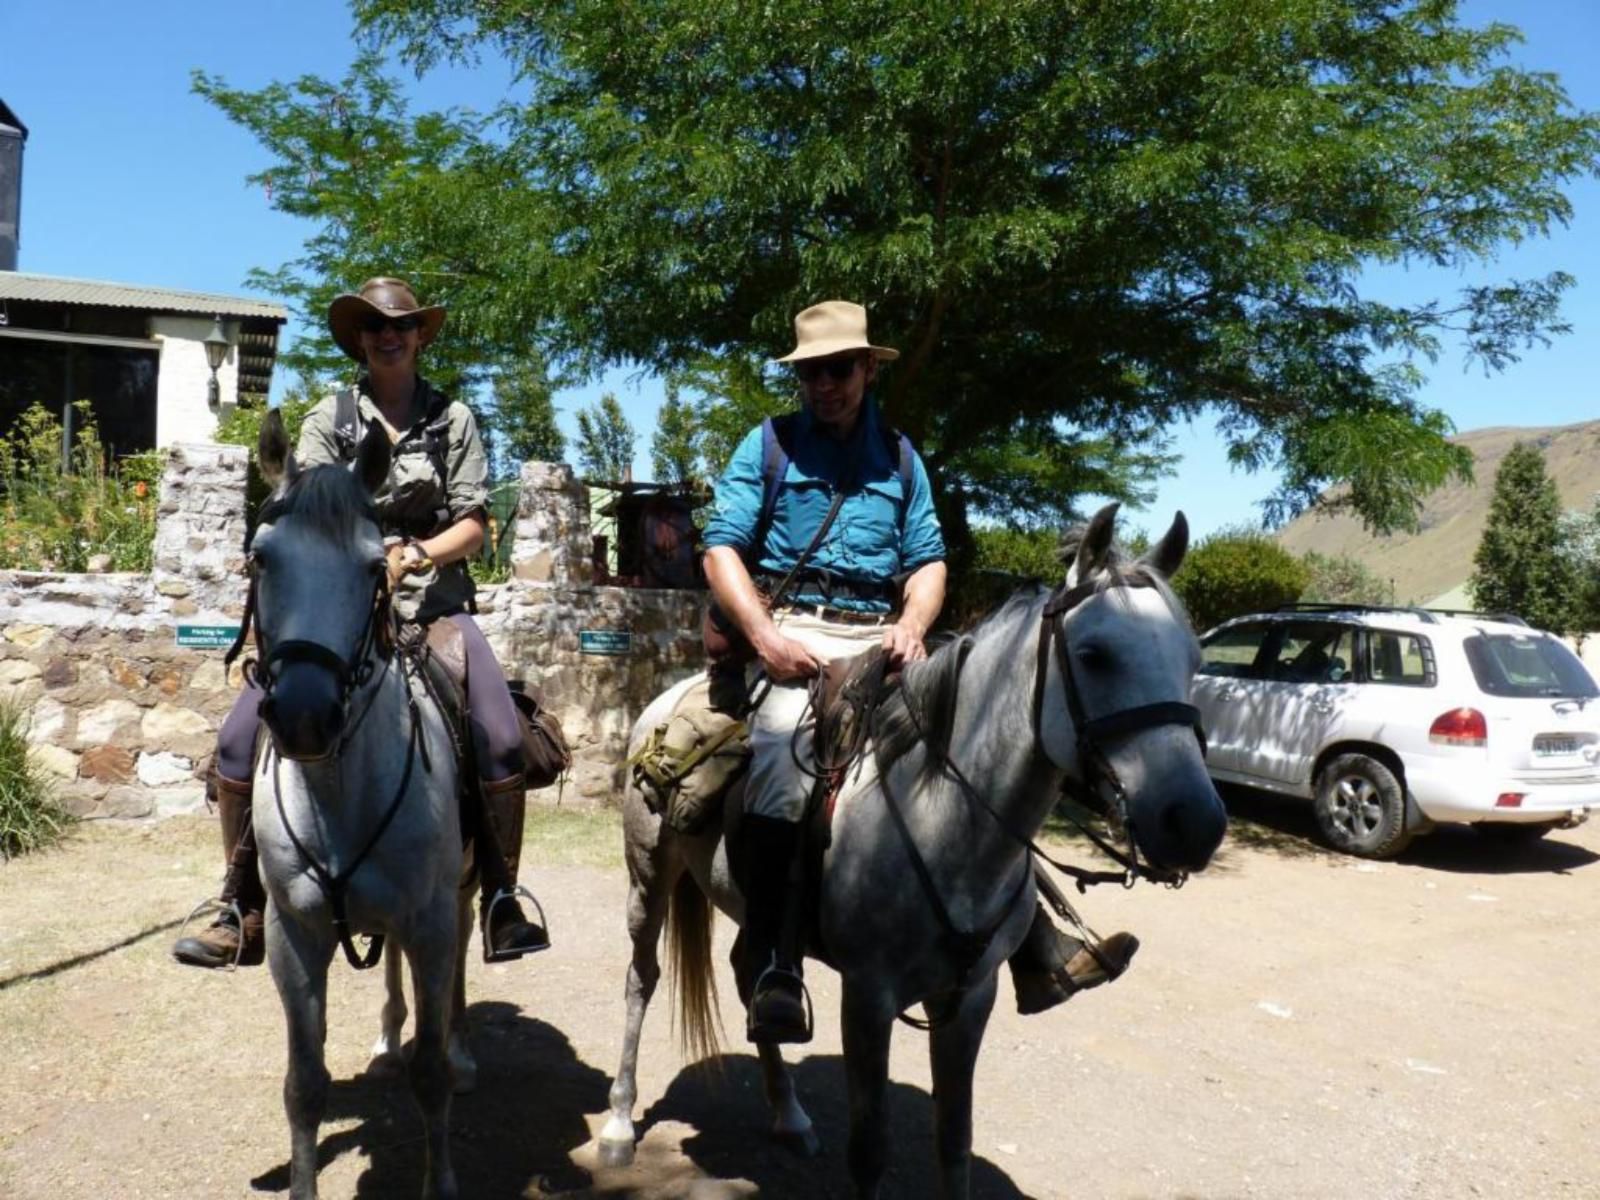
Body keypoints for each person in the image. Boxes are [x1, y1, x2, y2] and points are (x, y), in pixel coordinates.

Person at [702, 300, 1137, 1044]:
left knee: (972, 757)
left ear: (868, 369)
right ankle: (777, 964)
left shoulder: (901, 458)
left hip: (884, 631)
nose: (824, 385)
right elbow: (721, 550)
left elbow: (928, 562)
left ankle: (1041, 945)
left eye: (839, 370)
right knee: (780, 756)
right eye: (811, 373)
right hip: (797, 624)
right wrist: (765, 636)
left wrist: (912, 624)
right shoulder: (768, 445)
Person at [172, 277, 549, 969]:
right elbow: (314, 510)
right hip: (342, 609)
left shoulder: (453, 418)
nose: (387, 335)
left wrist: (415, 554)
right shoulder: (328, 420)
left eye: (400, 325)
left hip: (435, 608)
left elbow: (475, 521)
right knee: (235, 739)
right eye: (373, 326)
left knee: (498, 734)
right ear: (359, 338)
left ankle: (500, 895)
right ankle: (239, 901)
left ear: (419, 335)